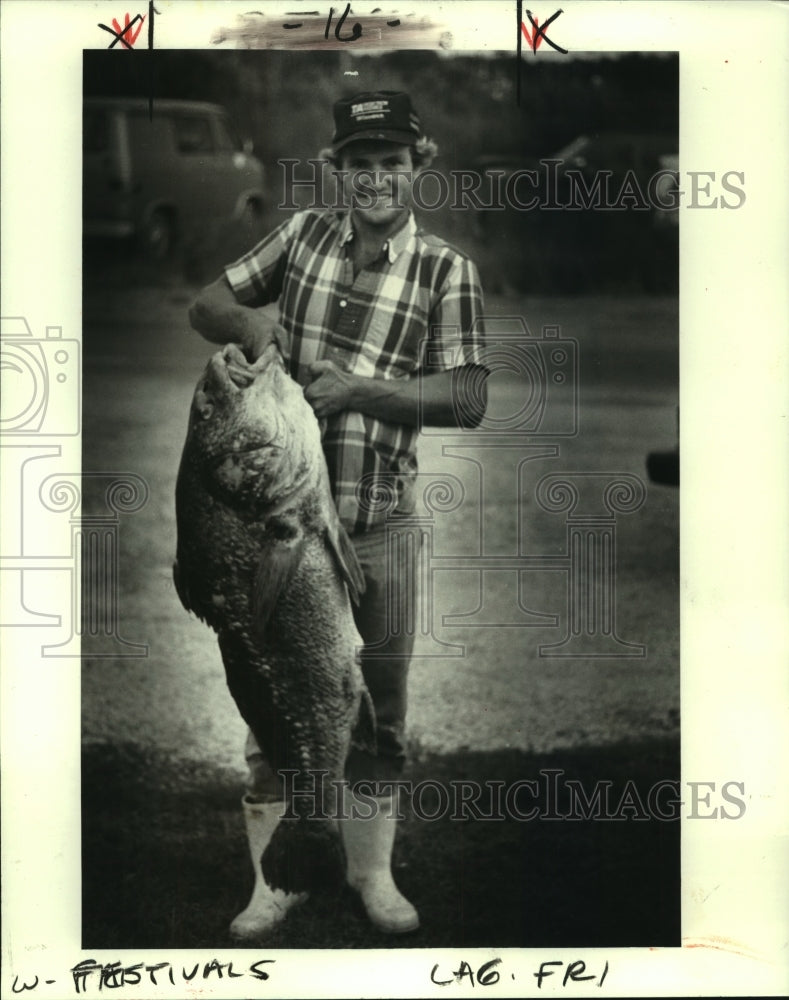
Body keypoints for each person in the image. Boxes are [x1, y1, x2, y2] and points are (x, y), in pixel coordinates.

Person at [189, 90, 488, 939]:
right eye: (360, 164)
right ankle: (271, 882)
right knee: (272, 704)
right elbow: (205, 306)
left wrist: (359, 390)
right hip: (277, 536)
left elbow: (466, 396)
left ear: (415, 167)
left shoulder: (445, 270)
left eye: (391, 163)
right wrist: (257, 325)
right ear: (338, 170)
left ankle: (369, 874)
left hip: (378, 521)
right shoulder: (302, 236)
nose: (375, 180)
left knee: (375, 707)